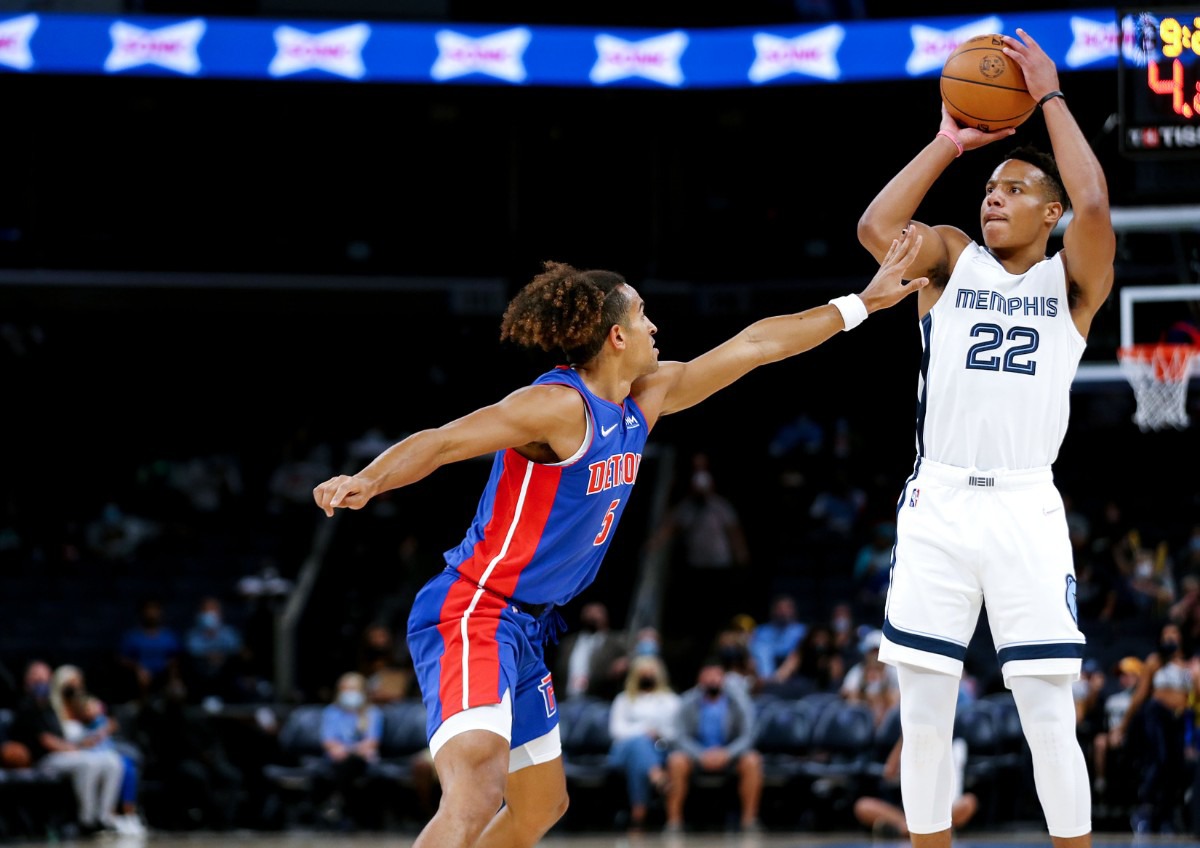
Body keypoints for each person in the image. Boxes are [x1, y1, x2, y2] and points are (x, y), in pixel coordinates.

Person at [312, 242, 928, 848]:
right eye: (641, 314)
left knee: (540, 805)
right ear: (615, 337)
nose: (655, 324)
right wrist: (370, 478)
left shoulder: (645, 398)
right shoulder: (555, 407)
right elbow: (445, 440)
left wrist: (862, 305)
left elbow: (757, 345)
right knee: (475, 792)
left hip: (529, 627)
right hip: (475, 609)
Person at [856, 28, 1115, 848]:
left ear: (1051, 213)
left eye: (1014, 187)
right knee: (925, 722)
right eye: (989, 186)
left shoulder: (1070, 283)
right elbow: (877, 226)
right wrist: (945, 144)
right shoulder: (949, 260)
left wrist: (1048, 97)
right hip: (938, 504)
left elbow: (1097, 205)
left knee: (1047, 716)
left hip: (1025, 508)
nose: (992, 196)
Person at [9, 660, 125, 836]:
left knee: (113, 761)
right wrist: (75, 749)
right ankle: (87, 820)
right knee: (88, 763)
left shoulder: (51, 705)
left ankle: (105, 817)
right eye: (35, 677)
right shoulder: (26, 705)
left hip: (65, 755)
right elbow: (45, 740)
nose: (40, 681)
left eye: (43, 677)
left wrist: (88, 740)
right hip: (43, 759)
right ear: (26, 680)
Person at [1111, 623, 1198, 833]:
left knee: (1176, 766)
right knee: (1159, 760)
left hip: (1179, 719)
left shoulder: (1188, 665)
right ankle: (1145, 811)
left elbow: (1193, 698)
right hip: (1156, 715)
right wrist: (1121, 727)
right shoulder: (1154, 661)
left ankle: (1166, 815)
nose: (1170, 638)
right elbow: (1140, 695)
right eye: (1166, 634)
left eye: (1174, 634)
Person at [662, 657, 763, 834]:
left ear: (723, 677)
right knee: (676, 761)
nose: (712, 679)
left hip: (729, 756)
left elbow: (748, 735)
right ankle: (674, 822)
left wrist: (727, 753)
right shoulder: (687, 701)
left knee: (752, 761)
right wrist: (700, 754)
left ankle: (749, 820)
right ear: (700, 679)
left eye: (716, 675)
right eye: (708, 676)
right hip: (696, 757)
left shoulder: (738, 701)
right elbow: (679, 736)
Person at [606, 654, 680, 833]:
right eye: (643, 672)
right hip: (622, 751)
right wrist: (644, 730)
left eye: (651, 672)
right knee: (639, 744)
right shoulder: (623, 699)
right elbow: (616, 730)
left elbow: (675, 732)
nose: (647, 676)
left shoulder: (670, 700)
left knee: (639, 759)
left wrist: (658, 733)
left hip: (659, 750)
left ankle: (638, 815)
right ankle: (656, 777)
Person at [853, 733, 978, 839]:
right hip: (907, 810)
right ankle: (915, 830)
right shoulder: (910, 740)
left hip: (942, 808)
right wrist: (905, 737)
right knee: (863, 806)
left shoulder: (955, 742)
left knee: (969, 802)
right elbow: (889, 773)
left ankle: (914, 831)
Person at [315, 671, 385, 830]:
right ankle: (345, 810)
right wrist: (340, 750)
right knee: (343, 765)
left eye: (353, 689)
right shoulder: (331, 712)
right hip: (337, 759)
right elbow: (328, 741)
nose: (349, 693)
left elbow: (372, 742)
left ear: (362, 691)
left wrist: (348, 750)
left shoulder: (372, 713)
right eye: (345, 689)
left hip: (361, 760)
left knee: (350, 763)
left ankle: (337, 805)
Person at [553, 600, 629, 701]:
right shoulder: (568, 643)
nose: (592, 616)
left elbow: (637, 654)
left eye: (597, 612)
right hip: (567, 700)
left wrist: (625, 662)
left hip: (600, 701)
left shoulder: (616, 641)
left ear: (606, 616)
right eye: (588, 612)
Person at [748, 593, 806, 680]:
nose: (783, 612)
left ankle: (774, 681)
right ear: (773, 610)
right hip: (764, 669)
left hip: (793, 668)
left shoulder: (802, 631)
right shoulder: (761, 630)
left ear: (793, 610)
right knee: (757, 650)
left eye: (787, 608)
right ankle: (766, 680)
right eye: (780, 608)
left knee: (796, 655)